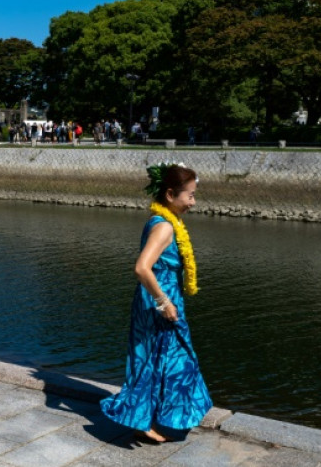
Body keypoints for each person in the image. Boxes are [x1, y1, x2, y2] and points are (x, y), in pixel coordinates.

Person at [101, 162, 211, 443]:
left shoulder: (164, 221)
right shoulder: (163, 227)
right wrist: (164, 303)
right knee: (175, 361)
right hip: (159, 303)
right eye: (190, 196)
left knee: (155, 359)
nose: (193, 202)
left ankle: (145, 418)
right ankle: (145, 418)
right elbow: (141, 268)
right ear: (170, 194)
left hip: (156, 300)